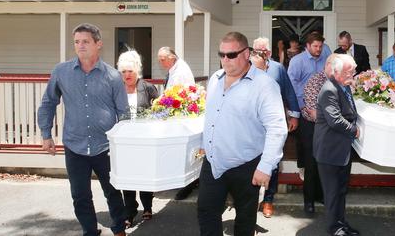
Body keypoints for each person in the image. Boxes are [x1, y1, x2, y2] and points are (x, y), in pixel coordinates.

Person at [38, 23, 128, 236]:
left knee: (113, 191)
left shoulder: (113, 76)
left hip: (106, 146)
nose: (80, 46)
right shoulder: (61, 72)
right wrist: (45, 134)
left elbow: (123, 113)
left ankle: (118, 229)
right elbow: (48, 102)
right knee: (80, 195)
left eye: (85, 41)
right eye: (77, 42)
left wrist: (123, 144)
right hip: (75, 145)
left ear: (99, 44)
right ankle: (89, 230)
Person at [197, 32, 288, 236]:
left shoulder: (265, 85)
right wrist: (204, 143)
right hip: (213, 162)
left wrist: (265, 166)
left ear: (246, 53)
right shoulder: (215, 79)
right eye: (222, 54)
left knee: (245, 220)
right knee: (206, 212)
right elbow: (211, 116)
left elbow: (277, 128)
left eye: (231, 55)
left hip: (246, 166)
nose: (225, 60)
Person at [250, 37, 301, 218]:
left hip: (273, 123)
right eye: (255, 51)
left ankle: (268, 200)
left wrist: (294, 115)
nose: (259, 54)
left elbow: (289, 91)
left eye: (262, 51)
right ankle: (251, 199)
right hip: (251, 125)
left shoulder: (278, 69)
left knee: (271, 161)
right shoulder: (246, 68)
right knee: (251, 161)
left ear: (269, 53)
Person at [314, 54, 360, 236]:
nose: (353, 74)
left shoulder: (344, 86)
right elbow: (335, 120)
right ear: (336, 72)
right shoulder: (329, 89)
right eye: (350, 71)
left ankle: (341, 224)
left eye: (353, 70)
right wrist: (354, 131)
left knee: (341, 191)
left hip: (341, 150)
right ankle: (335, 229)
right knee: (333, 194)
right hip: (329, 151)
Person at [116, 50, 159, 226]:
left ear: (137, 71)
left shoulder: (147, 87)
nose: (127, 75)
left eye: (130, 71)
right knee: (127, 177)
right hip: (124, 140)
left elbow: (159, 109)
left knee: (145, 175)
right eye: (123, 71)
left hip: (144, 139)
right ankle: (130, 211)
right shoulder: (116, 88)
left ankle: (147, 206)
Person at [287, 31, 328, 213]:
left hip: (325, 114)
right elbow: (291, 84)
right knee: (310, 158)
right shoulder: (297, 61)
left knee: (323, 156)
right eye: (315, 46)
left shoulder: (326, 56)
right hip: (306, 115)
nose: (318, 49)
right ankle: (308, 201)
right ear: (307, 46)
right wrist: (305, 106)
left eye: (320, 46)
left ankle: (320, 195)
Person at [298, 54, 339, 216]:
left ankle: (321, 196)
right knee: (311, 164)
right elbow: (314, 113)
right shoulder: (316, 81)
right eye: (336, 68)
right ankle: (309, 202)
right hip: (312, 128)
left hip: (328, 128)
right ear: (328, 66)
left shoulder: (337, 81)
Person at [157, 46, 197, 200]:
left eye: (163, 59)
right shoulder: (175, 68)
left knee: (184, 151)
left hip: (181, 116)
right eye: (159, 60)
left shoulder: (180, 71)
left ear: (172, 58)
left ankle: (187, 185)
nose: (161, 63)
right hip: (178, 115)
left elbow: (177, 95)